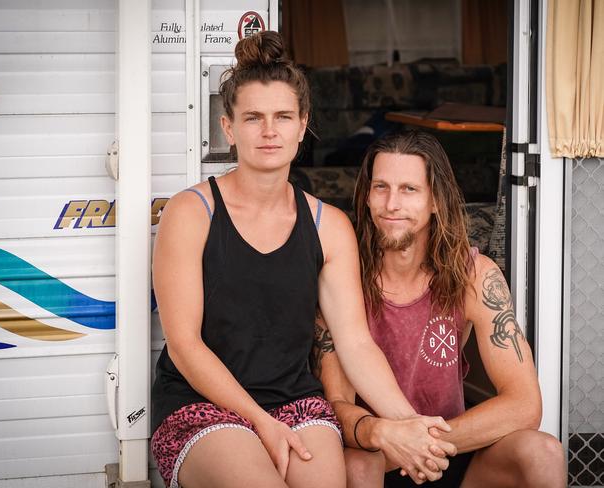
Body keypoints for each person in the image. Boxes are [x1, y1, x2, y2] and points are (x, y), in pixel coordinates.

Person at [150, 33, 455, 488]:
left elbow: (354, 342)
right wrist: (258, 421)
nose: (269, 131)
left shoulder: (328, 225)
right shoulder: (191, 212)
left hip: (296, 401)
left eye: (283, 117)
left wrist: (409, 424)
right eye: (253, 118)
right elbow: (184, 346)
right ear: (228, 128)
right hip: (200, 403)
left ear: (302, 124)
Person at [313, 130, 567, 487]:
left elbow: (524, 403)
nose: (392, 204)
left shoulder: (475, 276)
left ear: (436, 200)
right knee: (356, 465)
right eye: (381, 187)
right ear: (367, 197)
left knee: (543, 452)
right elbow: (336, 404)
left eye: (409, 190)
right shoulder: (342, 277)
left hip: (452, 453)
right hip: (378, 458)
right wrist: (387, 435)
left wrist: (425, 442)